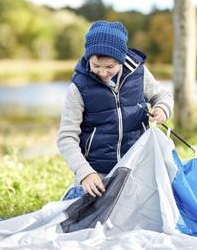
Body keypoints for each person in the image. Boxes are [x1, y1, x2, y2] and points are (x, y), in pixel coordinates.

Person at [58, 20, 173, 199]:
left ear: (121, 58)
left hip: (137, 167)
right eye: (96, 66)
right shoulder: (79, 88)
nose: (102, 73)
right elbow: (66, 137)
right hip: (97, 173)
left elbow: (163, 96)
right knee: (88, 221)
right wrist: (84, 173)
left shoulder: (138, 73)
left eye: (109, 67)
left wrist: (162, 109)